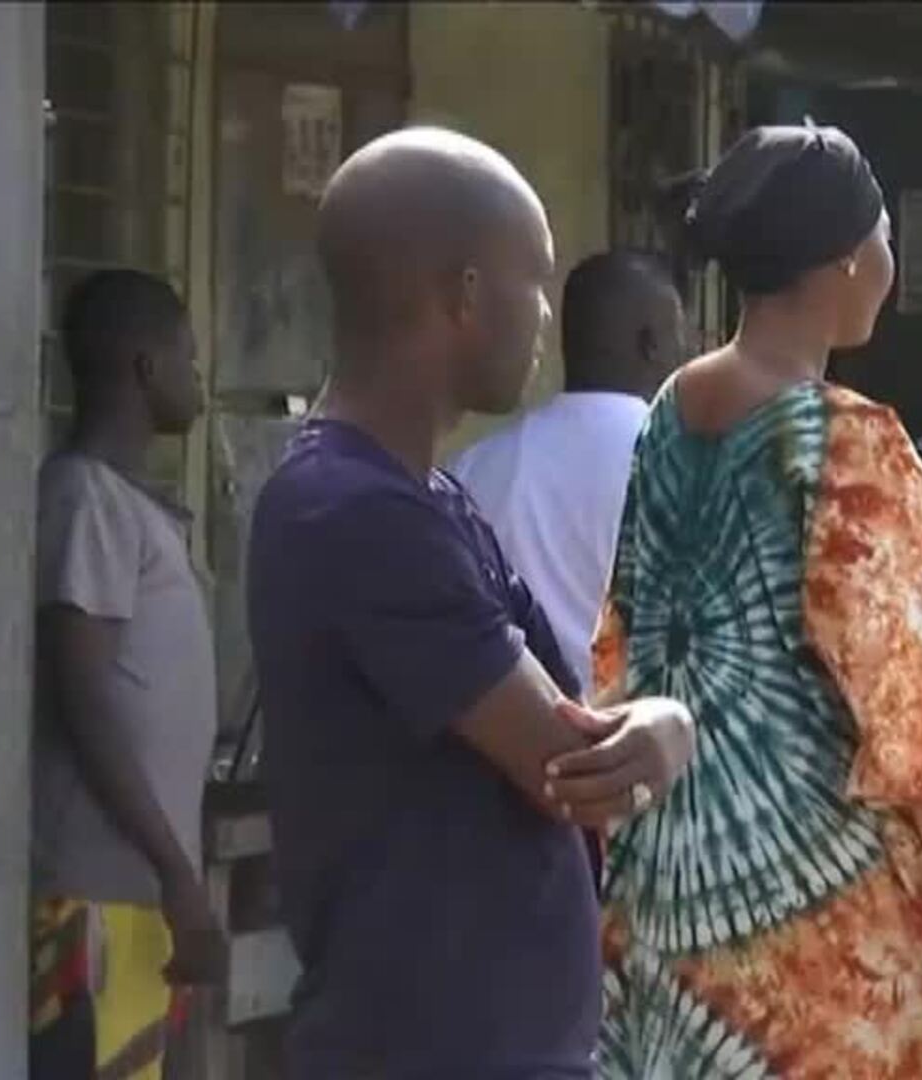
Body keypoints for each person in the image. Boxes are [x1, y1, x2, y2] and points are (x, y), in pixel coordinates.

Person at [246, 128, 696, 1077]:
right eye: (532, 281)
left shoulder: (433, 496)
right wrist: (670, 724)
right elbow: (575, 761)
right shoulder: (356, 509)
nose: (543, 321)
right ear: (464, 294)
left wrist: (651, 724)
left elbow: (581, 716)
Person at [592, 124, 922, 1077]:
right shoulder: (839, 434)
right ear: (844, 261)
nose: (887, 260)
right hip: (805, 879)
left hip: (674, 848)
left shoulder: (675, 403)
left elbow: (633, 618)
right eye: (881, 237)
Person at [30, 269, 223, 1080]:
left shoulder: (131, 507)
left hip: (140, 899)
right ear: (145, 367)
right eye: (187, 354)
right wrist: (179, 874)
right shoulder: (87, 498)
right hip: (93, 899)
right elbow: (85, 695)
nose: (198, 374)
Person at [451, 251, 688, 687]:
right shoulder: (690, 465)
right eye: (679, 339)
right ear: (650, 343)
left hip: (504, 737)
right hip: (641, 743)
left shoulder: (471, 469)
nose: (686, 355)